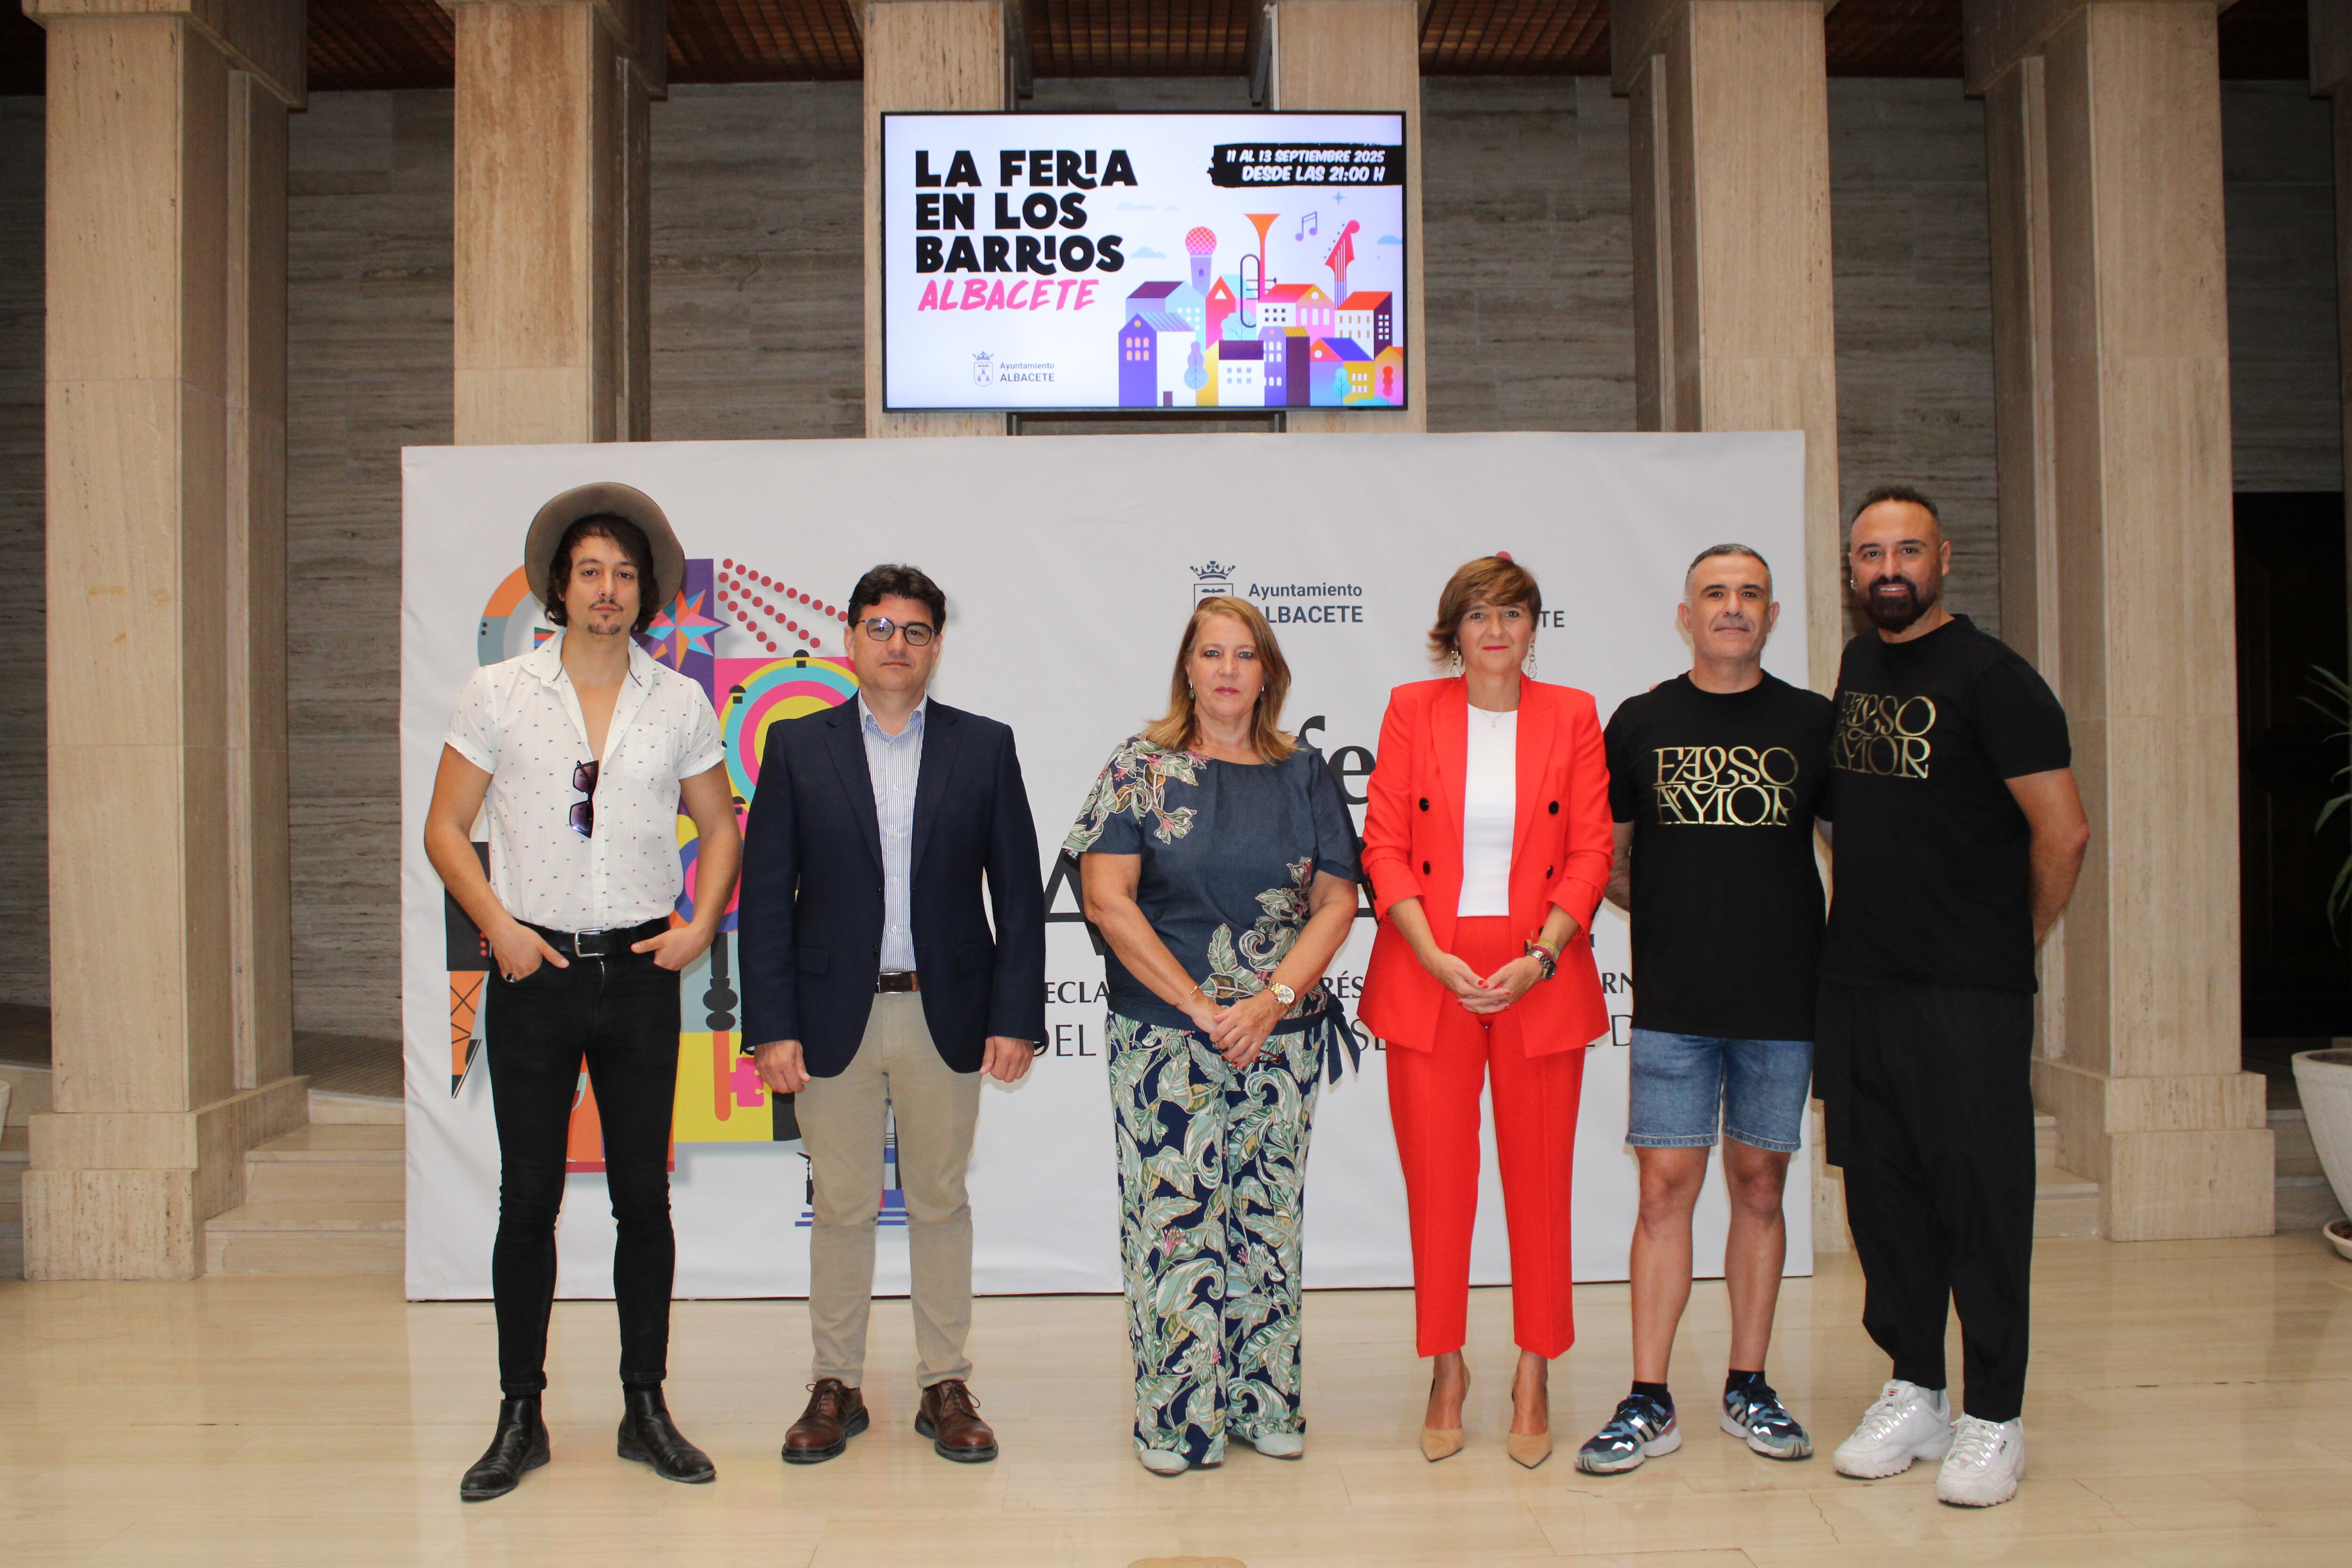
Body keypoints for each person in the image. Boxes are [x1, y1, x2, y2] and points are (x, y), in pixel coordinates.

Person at [424, 483, 741, 1502]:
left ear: (646, 592)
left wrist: (699, 925)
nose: (608, 589)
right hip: (535, 973)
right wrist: (500, 927)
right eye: (590, 571)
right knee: (528, 1201)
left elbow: (721, 825)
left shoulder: (679, 700)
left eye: (624, 574)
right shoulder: (498, 691)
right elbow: (445, 828)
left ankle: (645, 1407)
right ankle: (520, 1414)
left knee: (645, 1200)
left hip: (642, 975)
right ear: (557, 588)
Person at [739, 564, 1045, 1467]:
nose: (896, 644)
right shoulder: (797, 746)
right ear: (850, 639)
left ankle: (945, 1384)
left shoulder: (984, 747)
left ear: (937, 645)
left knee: (940, 1199)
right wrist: (771, 1026)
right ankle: (834, 1385)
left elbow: (1018, 896)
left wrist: (1015, 1016)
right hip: (832, 1014)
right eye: (879, 627)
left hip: (943, 1012)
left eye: (915, 630)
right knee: (840, 1205)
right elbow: (767, 899)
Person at [1819, 486, 2087, 1508]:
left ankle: (1996, 1413)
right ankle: (1917, 1387)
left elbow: (2063, 830)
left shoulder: (1995, 678)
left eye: (1907, 551)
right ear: (1852, 569)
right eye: (1870, 553)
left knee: (1981, 1201)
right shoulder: (1857, 665)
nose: (1888, 569)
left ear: (1943, 560)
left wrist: (2015, 938)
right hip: (1862, 981)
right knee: (1884, 1199)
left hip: (1967, 993)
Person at [1067, 596, 1362, 1476]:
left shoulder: (1305, 773)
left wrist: (1271, 1000)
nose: (1228, 669)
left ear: (1268, 673)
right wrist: (1200, 1004)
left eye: (1245, 654)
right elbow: (1106, 899)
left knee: (1267, 1219)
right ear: (1187, 670)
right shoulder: (1140, 766)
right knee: (1174, 1223)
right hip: (1164, 1037)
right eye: (1211, 653)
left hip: (1280, 1037)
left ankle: (1265, 1401)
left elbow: (1337, 899)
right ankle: (1175, 1421)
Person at [1577, 544, 1834, 1476]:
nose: (1733, 607)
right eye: (1714, 594)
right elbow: (1607, 858)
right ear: (1686, 616)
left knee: (1761, 1186)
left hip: (1781, 999)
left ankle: (1748, 1384)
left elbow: (1851, 846)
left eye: (1749, 594)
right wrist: (1680, 908)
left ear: (1771, 615)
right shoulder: (1641, 720)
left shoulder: (1813, 721)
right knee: (1663, 1191)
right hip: (1674, 1002)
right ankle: (1648, 1399)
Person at [1357, 554, 1613, 1469]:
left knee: (1540, 1183)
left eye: (1511, 612)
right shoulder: (1411, 709)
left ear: (1534, 627)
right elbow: (1383, 843)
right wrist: (1431, 953)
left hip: (1539, 962)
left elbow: (1591, 849)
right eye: (1477, 613)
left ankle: (1535, 1369)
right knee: (1438, 1182)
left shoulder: (1573, 713)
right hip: (1429, 958)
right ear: (1452, 631)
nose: (1495, 629)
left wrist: (1541, 955)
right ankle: (1446, 1366)